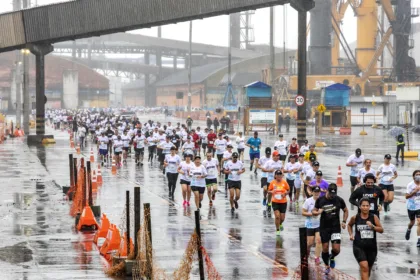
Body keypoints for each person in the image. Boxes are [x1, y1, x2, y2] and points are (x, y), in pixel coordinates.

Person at [312, 184, 349, 274]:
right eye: (330, 194)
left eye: (334, 194)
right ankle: (326, 266)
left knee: (336, 249)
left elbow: (345, 210)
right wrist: (317, 213)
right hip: (324, 227)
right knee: (325, 248)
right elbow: (313, 210)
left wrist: (344, 221)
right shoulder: (320, 200)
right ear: (327, 191)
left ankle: (332, 256)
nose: (332, 196)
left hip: (335, 227)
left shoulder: (339, 199)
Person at [347, 198, 384, 280]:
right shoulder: (355, 217)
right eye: (363, 206)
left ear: (369, 207)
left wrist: (373, 227)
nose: (365, 208)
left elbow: (381, 230)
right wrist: (351, 234)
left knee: (368, 270)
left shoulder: (373, 217)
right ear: (359, 207)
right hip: (358, 246)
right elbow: (349, 225)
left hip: (372, 248)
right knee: (364, 267)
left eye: (367, 206)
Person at [302, 186, 322, 264]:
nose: (316, 193)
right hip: (310, 224)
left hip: (319, 225)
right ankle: (306, 254)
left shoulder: (322, 201)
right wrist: (311, 214)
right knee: (309, 243)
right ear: (312, 192)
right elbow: (303, 212)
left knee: (318, 241)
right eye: (315, 192)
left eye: (318, 192)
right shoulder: (308, 201)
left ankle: (317, 258)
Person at [268, 170, 290, 236]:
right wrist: (271, 192)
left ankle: (280, 224)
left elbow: (288, 190)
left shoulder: (284, 182)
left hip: (283, 202)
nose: (279, 176)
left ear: (282, 176)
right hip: (275, 202)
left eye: (280, 175)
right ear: (275, 176)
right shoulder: (272, 183)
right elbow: (268, 191)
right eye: (277, 175)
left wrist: (285, 193)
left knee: (282, 218)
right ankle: (277, 230)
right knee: (277, 216)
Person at [404, 170, 420, 245]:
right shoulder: (410, 185)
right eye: (417, 174)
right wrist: (415, 191)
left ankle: (418, 239)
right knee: (412, 222)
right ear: (413, 176)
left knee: (419, 222)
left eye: (419, 174)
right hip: (411, 206)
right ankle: (409, 229)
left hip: (419, 206)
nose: (418, 176)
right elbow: (406, 196)